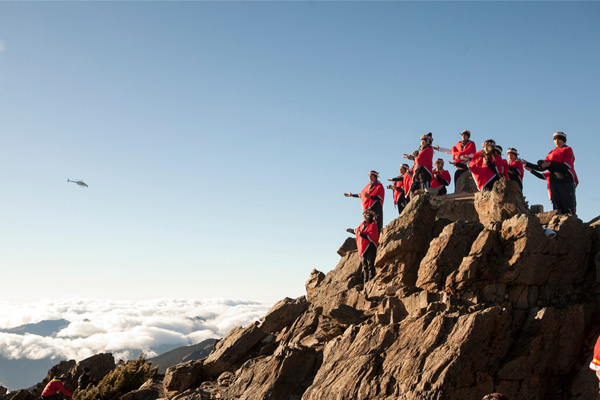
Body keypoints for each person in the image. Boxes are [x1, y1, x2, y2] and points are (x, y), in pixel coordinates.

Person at [523, 132, 577, 215]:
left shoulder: (567, 149)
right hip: (553, 181)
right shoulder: (551, 152)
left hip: (565, 180)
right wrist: (528, 165)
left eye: (559, 139)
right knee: (557, 206)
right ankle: (559, 225)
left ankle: (571, 225)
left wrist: (550, 164)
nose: (556, 141)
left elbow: (566, 165)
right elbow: (543, 167)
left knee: (568, 206)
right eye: (555, 139)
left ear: (563, 140)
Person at [346, 209, 379, 286]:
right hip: (363, 249)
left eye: (367, 215)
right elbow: (357, 231)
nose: (365, 217)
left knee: (371, 265)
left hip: (370, 248)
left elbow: (373, 236)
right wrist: (349, 230)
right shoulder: (362, 224)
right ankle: (365, 285)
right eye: (364, 215)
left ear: (370, 216)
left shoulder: (373, 224)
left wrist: (363, 235)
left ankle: (370, 284)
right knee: (365, 268)